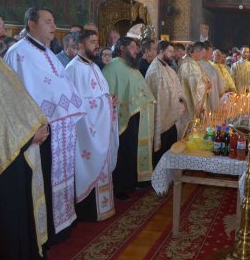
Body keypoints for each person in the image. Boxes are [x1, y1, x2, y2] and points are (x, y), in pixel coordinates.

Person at [5, 7, 85, 244]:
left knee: (61, 178)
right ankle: (45, 231)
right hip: (40, 132)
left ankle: (61, 224)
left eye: (54, 21)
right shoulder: (17, 53)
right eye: (48, 21)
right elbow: (16, 98)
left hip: (61, 131)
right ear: (31, 23)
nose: (53, 26)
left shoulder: (49, 53)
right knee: (44, 180)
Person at [0, 0, 48, 260]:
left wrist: (35, 126)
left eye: (2, 25)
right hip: (1, 163)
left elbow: (15, 106)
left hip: (16, 155)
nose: (3, 31)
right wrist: (27, 139)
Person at [65, 30, 118, 221]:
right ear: (80, 45)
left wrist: (110, 100)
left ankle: (102, 208)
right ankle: (88, 212)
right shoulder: (73, 69)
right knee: (89, 165)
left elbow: (101, 95)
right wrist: (104, 104)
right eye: (92, 42)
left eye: (97, 41)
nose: (96, 45)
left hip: (100, 127)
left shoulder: (94, 67)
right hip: (87, 132)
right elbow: (76, 105)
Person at [102, 37, 156, 200]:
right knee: (122, 152)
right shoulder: (113, 67)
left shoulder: (131, 66)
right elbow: (109, 91)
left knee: (131, 150)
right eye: (132, 47)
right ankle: (120, 187)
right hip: (121, 117)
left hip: (135, 115)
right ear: (122, 48)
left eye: (136, 47)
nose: (136, 50)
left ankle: (130, 182)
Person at [145, 41, 186, 168]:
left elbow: (176, 89)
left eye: (173, 51)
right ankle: (159, 179)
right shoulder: (154, 70)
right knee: (162, 151)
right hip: (161, 117)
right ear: (161, 52)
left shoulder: (168, 68)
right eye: (169, 51)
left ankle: (169, 176)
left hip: (171, 118)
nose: (172, 54)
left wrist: (181, 101)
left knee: (171, 147)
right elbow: (159, 96)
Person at [178, 42, 210, 123]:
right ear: (196, 51)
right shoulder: (188, 64)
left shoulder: (193, 63)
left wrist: (207, 81)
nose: (203, 56)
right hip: (189, 100)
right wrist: (206, 84)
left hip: (193, 97)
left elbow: (201, 77)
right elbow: (193, 83)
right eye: (202, 53)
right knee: (190, 123)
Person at [199, 41, 224, 111]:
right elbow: (220, 88)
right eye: (211, 52)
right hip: (206, 101)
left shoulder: (210, 65)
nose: (212, 54)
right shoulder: (199, 65)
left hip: (213, 98)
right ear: (205, 51)